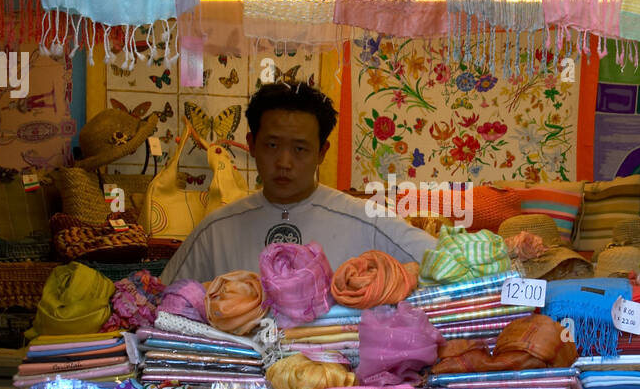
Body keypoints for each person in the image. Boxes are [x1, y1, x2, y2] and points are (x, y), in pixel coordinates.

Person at [161, 80, 438, 284]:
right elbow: (163, 303)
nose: (284, 162)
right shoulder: (216, 230)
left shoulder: (368, 220)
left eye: (300, 149)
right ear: (251, 145)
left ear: (322, 153)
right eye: (271, 145)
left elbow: (449, 264)